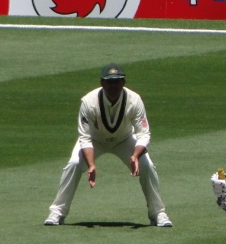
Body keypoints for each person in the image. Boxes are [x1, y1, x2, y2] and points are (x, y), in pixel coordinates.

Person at [45, 64, 171, 228]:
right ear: (102, 83)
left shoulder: (134, 100)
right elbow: (85, 137)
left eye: (117, 82)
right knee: (75, 164)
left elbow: (144, 133)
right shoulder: (89, 102)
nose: (113, 86)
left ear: (123, 82)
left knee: (146, 165)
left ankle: (158, 213)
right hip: (95, 140)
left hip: (124, 139)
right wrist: (91, 165)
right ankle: (57, 212)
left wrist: (135, 155)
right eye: (109, 82)